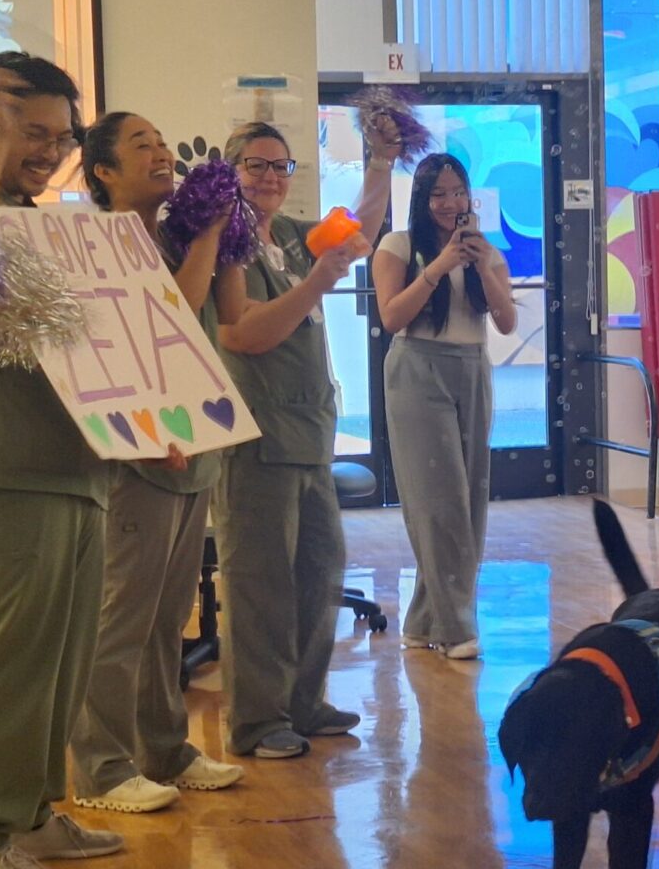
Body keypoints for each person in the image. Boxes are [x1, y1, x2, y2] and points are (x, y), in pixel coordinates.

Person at [0, 52, 125, 869]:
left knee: (61, 658)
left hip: (76, 465)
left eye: (60, 137)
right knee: (10, 661)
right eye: (28, 132)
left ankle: (30, 811)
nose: (47, 152)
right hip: (4, 467)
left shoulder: (49, 222)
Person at [66, 110, 245, 812]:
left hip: (189, 446)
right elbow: (175, 311)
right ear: (104, 173)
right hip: (136, 454)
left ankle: (164, 750)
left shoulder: (169, 235)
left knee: (169, 617)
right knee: (122, 621)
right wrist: (208, 230)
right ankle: (103, 769)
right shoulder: (104, 240)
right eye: (142, 145)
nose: (163, 153)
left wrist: (220, 230)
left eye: (164, 142)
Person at [212, 119, 390, 759]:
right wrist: (319, 282)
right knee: (260, 586)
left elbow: (357, 234)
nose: (269, 178)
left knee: (319, 573)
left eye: (280, 167)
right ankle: (258, 722)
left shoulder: (288, 236)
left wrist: (380, 162)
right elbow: (245, 335)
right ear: (228, 170)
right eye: (255, 165)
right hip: (257, 437)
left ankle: (305, 702)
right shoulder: (225, 245)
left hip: (311, 434)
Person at [371, 152, 519, 660]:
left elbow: (505, 323)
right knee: (439, 503)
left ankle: (423, 622)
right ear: (421, 198)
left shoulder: (484, 249)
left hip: (472, 368)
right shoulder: (398, 245)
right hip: (416, 368)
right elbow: (392, 317)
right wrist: (437, 267)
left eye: (459, 192)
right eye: (439, 194)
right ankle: (457, 628)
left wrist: (482, 264)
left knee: (470, 500)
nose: (450, 203)